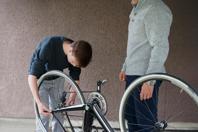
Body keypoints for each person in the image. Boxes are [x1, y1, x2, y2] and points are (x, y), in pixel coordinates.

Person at [119, 0, 172, 131]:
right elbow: (137, 43)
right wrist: (126, 66)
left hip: (144, 76)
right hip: (133, 74)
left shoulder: (155, 8)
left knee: (145, 124)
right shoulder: (137, 9)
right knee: (132, 120)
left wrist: (150, 80)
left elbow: (160, 46)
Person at [28, 36, 92, 132]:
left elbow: (75, 76)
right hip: (40, 80)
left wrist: (73, 93)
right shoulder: (48, 46)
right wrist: (38, 102)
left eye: (76, 65)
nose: (74, 65)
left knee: (59, 112)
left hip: (58, 79)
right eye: (74, 62)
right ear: (70, 51)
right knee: (43, 114)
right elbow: (31, 77)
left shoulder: (76, 50)